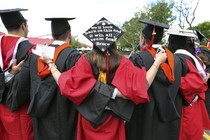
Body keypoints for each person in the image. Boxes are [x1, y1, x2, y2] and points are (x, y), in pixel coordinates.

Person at [41, 17, 167, 140]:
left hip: (89, 118)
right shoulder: (122, 62)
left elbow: (65, 83)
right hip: (112, 118)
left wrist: (51, 64)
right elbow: (142, 86)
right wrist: (157, 63)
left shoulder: (85, 60)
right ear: (114, 42)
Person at [14, 17, 82, 140]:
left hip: (40, 118)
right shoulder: (74, 57)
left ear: (52, 34)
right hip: (66, 119)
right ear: (69, 35)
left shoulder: (36, 54)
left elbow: (22, 86)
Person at [126, 19, 187, 140]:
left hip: (144, 121)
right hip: (168, 124)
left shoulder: (138, 59)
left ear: (143, 39)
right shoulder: (177, 61)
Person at [167, 29, 209, 140]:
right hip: (193, 105)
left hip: (185, 108)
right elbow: (202, 80)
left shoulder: (181, 58)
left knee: (185, 134)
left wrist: (169, 79)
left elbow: (196, 81)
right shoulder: (192, 58)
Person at [0, 8, 35, 140]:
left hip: (1, 105)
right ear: (23, 25)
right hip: (21, 109)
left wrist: (8, 74)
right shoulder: (31, 49)